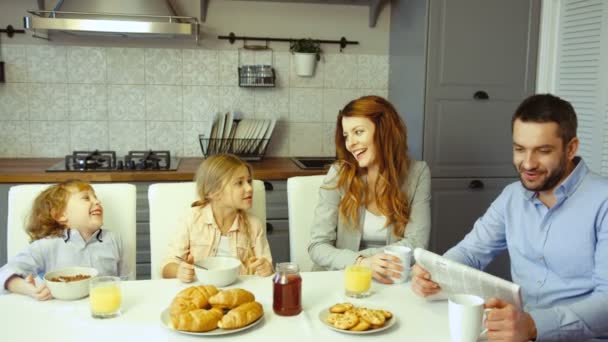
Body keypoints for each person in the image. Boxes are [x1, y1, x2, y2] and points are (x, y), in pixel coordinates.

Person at [412, 94, 608, 341]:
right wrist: (435, 272)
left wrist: (534, 325)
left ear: (571, 148)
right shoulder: (512, 197)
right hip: (515, 333)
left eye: (543, 151)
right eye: (519, 149)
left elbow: (606, 302)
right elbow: (471, 252)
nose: (527, 163)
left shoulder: (603, 201)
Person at [307, 95, 431, 284]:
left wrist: (369, 261)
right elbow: (317, 246)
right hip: (340, 279)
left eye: (358, 132)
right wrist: (361, 263)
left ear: (384, 131)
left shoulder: (418, 173)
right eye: (346, 136)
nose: (350, 144)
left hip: (391, 281)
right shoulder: (338, 173)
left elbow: (417, 244)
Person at [0, 180, 128, 300]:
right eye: (86, 198)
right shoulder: (46, 246)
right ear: (60, 215)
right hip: (61, 315)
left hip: (104, 310)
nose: (97, 202)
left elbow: (127, 283)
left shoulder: (114, 240)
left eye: (96, 197)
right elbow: (5, 273)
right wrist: (29, 290)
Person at [162, 154, 273, 282]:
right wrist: (180, 271)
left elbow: (267, 270)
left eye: (248, 181)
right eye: (239, 183)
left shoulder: (254, 225)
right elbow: (167, 267)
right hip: (201, 293)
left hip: (239, 295)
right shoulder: (191, 219)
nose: (249, 188)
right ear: (214, 192)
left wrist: (266, 269)